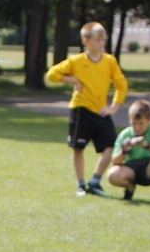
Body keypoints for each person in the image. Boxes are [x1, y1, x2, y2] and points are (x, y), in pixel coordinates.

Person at [46, 22, 128, 197]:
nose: (101, 43)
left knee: (112, 146)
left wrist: (113, 107)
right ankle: (81, 184)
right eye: (97, 39)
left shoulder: (109, 61)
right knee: (78, 148)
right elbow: (52, 74)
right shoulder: (76, 61)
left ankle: (95, 181)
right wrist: (73, 80)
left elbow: (121, 84)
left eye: (103, 39)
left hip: (100, 111)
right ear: (86, 40)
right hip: (80, 109)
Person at [106, 99, 150, 206]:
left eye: (141, 123)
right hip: (131, 169)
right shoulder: (125, 134)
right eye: (134, 123)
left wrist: (146, 145)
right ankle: (129, 187)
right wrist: (124, 151)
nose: (137, 127)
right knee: (111, 175)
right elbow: (115, 160)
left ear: (149, 119)